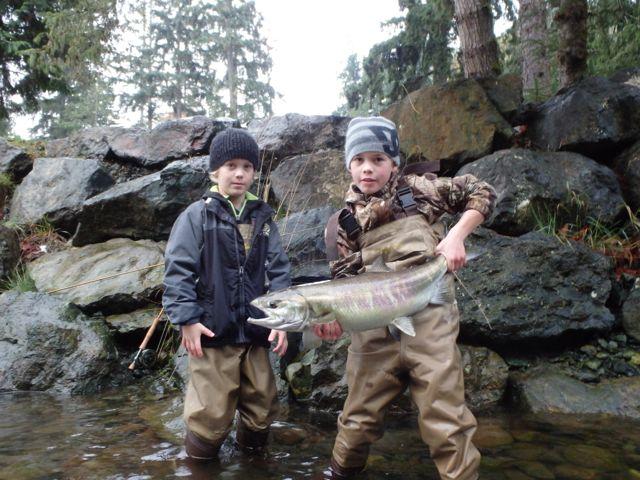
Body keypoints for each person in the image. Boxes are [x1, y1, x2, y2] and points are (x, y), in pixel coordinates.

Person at [315, 117, 496, 480]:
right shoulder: (340, 226)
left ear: (394, 163)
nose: (368, 168)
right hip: (372, 332)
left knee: (445, 417)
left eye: (379, 159)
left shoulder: (422, 189)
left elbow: (482, 191)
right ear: (349, 165)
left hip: (430, 319)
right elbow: (343, 287)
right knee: (355, 423)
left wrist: (457, 236)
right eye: (360, 159)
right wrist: (331, 321)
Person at [163, 127, 291, 460]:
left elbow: (279, 273)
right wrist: (186, 320)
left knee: (262, 406)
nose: (239, 173)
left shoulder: (263, 218)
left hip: (255, 331)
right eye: (231, 165)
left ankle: (252, 461)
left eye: (247, 167)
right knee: (210, 414)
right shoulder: (196, 216)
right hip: (212, 333)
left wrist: (283, 320)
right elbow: (177, 272)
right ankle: (199, 465)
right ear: (214, 171)